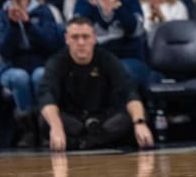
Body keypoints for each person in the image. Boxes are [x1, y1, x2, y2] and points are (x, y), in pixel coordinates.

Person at [38, 16, 154, 151]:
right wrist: (56, 127)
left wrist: (139, 123)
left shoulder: (108, 59)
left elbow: (129, 92)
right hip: (74, 122)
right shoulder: (56, 62)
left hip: (105, 121)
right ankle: (99, 143)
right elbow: (46, 96)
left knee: (139, 115)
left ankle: (83, 144)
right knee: (45, 120)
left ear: (94, 38)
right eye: (75, 37)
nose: (81, 42)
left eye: (85, 37)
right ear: (66, 39)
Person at [0, 0, 63, 147]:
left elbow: (51, 45)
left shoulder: (44, 11)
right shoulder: (1, 15)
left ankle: (44, 127)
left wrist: (29, 25)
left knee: (38, 76)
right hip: (13, 66)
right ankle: (28, 129)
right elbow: (4, 51)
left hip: (41, 64)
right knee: (19, 77)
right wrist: (13, 26)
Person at [73, 0, 149, 86]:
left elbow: (135, 30)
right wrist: (91, 3)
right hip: (95, 59)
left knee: (118, 70)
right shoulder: (83, 2)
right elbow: (79, 30)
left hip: (128, 58)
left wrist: (117, 6)